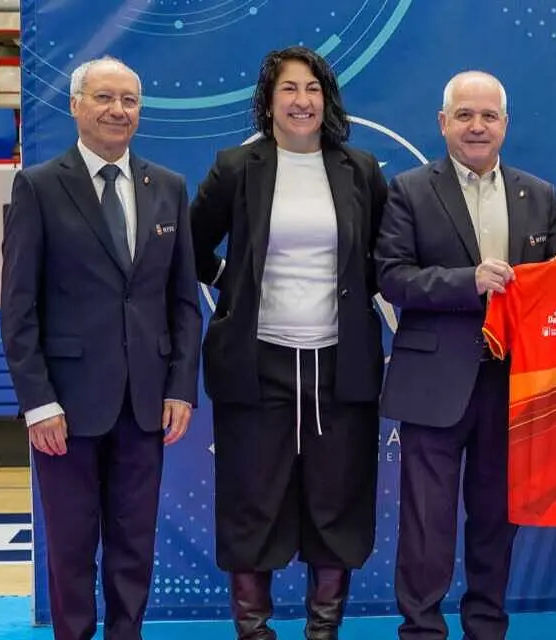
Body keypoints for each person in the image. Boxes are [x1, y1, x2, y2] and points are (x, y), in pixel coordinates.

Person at [189, 46, 387, 639]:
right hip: (257, 367)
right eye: (288, 89)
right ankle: (255, 632)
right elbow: (192, 248)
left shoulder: (362, 169)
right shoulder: (235, 168)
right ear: (268, 102)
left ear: (326, 99)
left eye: (313, 89)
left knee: (337, 504)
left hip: (340, 368)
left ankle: (322, 631)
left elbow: (382, 262)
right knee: (253, 504)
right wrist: (229, 280)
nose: (302, 101)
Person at [0, 56, 200, 639]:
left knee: (134, 545)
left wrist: (181, 387)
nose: (118, 111)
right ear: (76, 106)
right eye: (105, 99)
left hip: (145, 405)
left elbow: (182, 301)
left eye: (130, 101)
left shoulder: (168, 187)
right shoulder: (37, 186)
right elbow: (19, 308)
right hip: (65, 409)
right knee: (70, 548)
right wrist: (38, 403)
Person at [375, 70, 556, 640]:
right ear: (443, 122)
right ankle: (422, 630)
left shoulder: (540, 194)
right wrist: (469, 281)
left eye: (488, 116)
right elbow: (392, 276)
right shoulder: (408, 189)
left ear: (505, 124)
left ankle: (486, 627)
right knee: (426, 524)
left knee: (496, 521)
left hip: (513, 386)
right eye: (464, 115)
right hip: (434, 382)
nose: (476, 127)